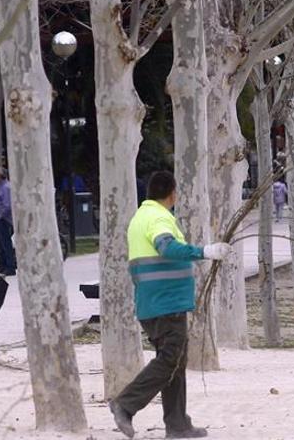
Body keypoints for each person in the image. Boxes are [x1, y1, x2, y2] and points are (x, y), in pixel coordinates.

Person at [109, 171, 233, 439]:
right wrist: (204, 252)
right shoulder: (158, 217)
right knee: (170, 360)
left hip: (153, 303)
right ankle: (125, 404)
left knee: (175, 362)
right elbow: (166, 247)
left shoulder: (140, 217)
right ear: (173, 193)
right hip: (167, 304)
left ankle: (177, 425)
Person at [0, 167, 16, 276]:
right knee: (1, 243)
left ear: (0, 176)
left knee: (6, 243)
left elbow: (7, 205)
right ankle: (3, 265)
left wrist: (0, 216)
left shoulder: (6, 188)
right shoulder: (0, 188)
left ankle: (10, 266)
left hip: (3, 220)